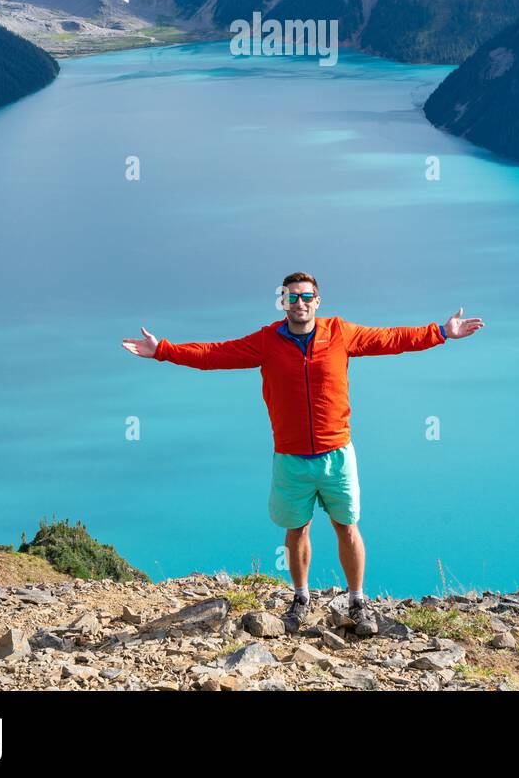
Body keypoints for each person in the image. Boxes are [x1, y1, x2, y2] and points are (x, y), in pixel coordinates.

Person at [123, 271, 483, 636]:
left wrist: (441, 332)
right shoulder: (267, 341)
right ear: (283, 301)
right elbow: (216, 354)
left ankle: (358, 601)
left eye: (306, 296)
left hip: (337, 453)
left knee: (347, 526)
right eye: (292, 297)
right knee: (297, 530)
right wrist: (163, 351)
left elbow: (391, 339)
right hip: (291, 457)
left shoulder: (340, 333)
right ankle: (300, 599)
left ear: (317, 301)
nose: (300, 303)